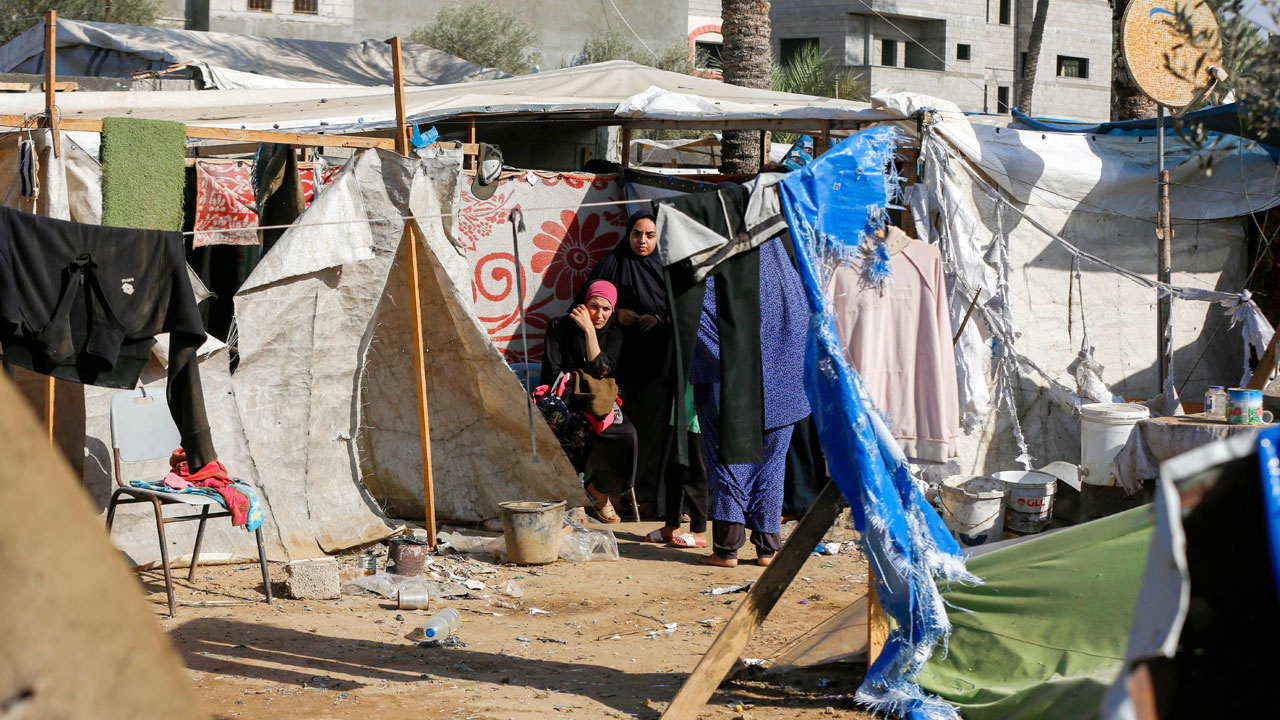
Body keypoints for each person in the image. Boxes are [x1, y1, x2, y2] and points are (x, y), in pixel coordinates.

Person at [693, 237, 810, 567]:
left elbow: (698, 323)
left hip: (728, 383)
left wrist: (728, 365)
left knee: (727, 461)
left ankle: (727, 549)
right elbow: (803, 328)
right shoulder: (788, 281)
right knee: (771, 468)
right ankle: (767, 549)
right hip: (782, 389)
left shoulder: (717, 272)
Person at [587, 209, 672, 518]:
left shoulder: (666, 267)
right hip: (618, 361)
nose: (642, 241)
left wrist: (659, 319)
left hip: (656, 364)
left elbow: (681, 308)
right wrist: (618, 313)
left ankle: (647, 495)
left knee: (651, 431)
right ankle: (611, 493)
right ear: (628, 234)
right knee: (617, 427)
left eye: (650, 235)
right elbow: (590, 301)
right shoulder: (614, 263)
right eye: (637, 234)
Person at [539, 280, 637, 523]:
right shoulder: (559, 327)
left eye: (606, 309)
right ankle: (574, 501)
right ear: (583, 304)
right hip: (565, 400)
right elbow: (551, 374)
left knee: (627, 436)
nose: (599, 314)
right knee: (571, 430)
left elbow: (604, 371)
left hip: (599, 404)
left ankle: (599, 492)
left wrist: (590, 333)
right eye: (594, 306)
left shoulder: (614, 334)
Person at [641, 383, 709, 547]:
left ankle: (698, 531)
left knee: (695, 471)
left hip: (697, 412)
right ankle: (671, 525)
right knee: (673, 471)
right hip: (678, 409)